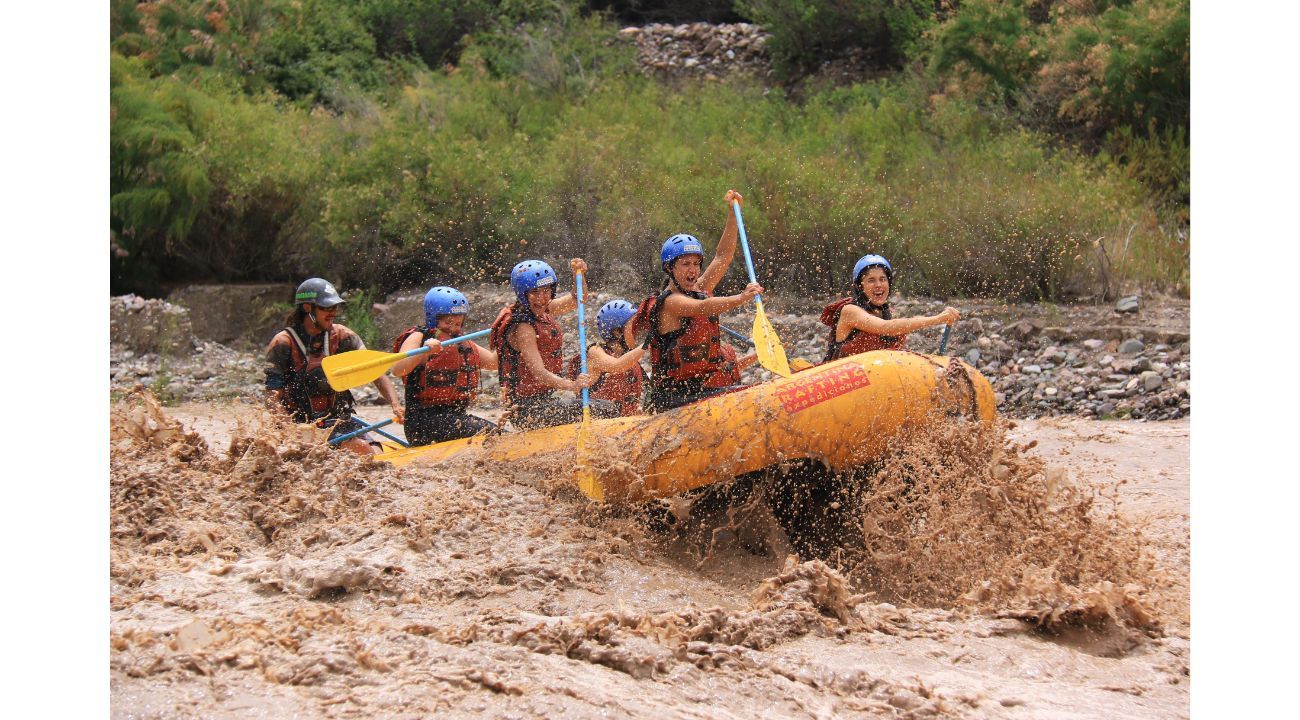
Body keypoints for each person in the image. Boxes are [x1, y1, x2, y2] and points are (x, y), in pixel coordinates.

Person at [638, 189, 764, 412]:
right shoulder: (670, 303)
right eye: (686, 264)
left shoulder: (699, 289)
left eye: (696, 264)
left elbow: (723, 257)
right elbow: (704, 307)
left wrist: (733, 215)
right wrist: (742, 298)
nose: (693, 270)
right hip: (674, 398)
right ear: (670, 268)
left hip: (700, 391)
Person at [264, 278, 403, 455]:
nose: (333, 313)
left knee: (376, 452)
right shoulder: (283, 343)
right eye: (326, 308)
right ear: (308, 308)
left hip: (338, 421)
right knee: (362, 451)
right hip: (302, 427)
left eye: (334, 308)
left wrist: (395, 404)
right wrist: (288, 429)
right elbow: (272, 395)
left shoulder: (343, 336)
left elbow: (374, 372)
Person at [490, 258, 618, 429]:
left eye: (546, 291)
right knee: (605, 410)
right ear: (523, 294)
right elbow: (539, 373)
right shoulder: (523, 328)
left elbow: (578, 299)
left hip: (545, 400)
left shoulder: (544, 309)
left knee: (606, 407)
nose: (542, 298)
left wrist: (578, 276)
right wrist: (572, 385)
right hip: (526, 410)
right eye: (534, 292)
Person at [390, 286, 499, 446]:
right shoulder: (419, 337)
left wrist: (508, 337)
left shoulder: (460, 341)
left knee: (497, 432)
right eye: (448, 322)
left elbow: (493, 362)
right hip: (424, 422)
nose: (454, 328)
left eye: (458, 323)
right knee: (493, 434)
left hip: (455, 418)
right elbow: (398, 369)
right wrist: (424, 352)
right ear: (434, 318)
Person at [821, 254, 959, 363]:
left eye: (882, 279)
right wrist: (937, 319)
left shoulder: (890, 313)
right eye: (871, 280)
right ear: (859, 286)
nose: (878, 285)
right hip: (845, 383)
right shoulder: (850, 311)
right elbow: (887, 328)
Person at [565, 299, 647, 416]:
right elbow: (617, 366)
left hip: (623, 426)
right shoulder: (595, 352)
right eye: (634, 326)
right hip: (597, 425)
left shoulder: (631, 359)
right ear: (617, 332)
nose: (638, 330)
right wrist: (648, 343)